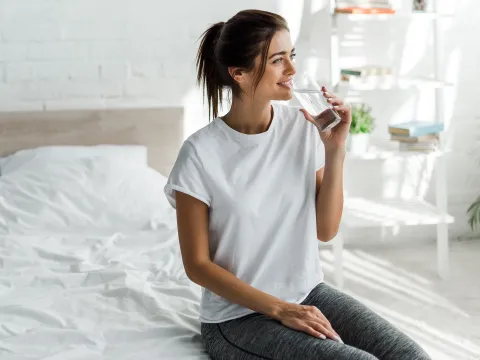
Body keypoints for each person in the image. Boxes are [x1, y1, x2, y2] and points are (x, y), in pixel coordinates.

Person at [163, 9, 431, 360]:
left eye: (292, 56)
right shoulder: (199, 153)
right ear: (239, 74)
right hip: (237, 319)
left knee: (412, 356)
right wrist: (278, 309)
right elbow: (197, 265)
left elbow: (325, 229)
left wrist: (335, 150)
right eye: (277, 60)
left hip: (308, 294)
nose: (291, 70)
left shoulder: (303, 128)